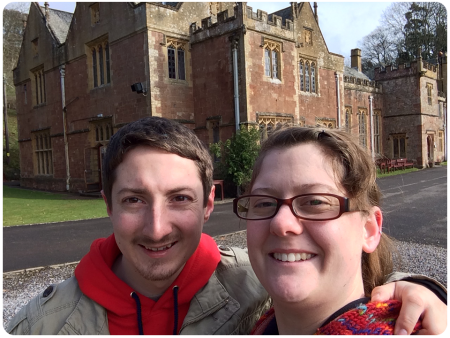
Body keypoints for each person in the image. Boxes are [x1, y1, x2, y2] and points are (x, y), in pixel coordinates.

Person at [6, 117, 447, 336]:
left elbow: (342, 283)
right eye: (134, 200)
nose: (157, 228)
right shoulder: (40, 324)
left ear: (209, 203)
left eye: (180, 198)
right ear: (107, 204)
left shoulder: (250, 286)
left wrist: (420, 291)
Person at [232, 126, 448, 336]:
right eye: (264, 203)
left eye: (315, 201)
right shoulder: (257, 325)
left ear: (369, 230)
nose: (281, 223)